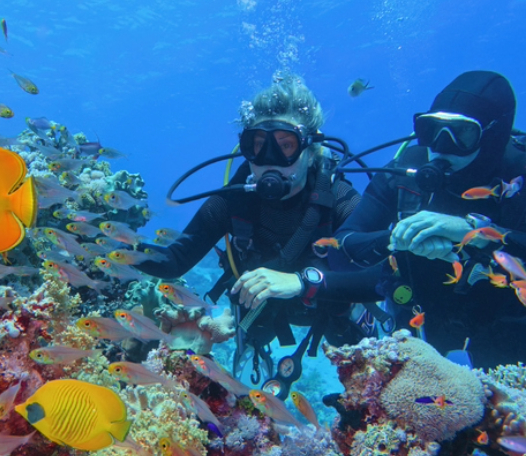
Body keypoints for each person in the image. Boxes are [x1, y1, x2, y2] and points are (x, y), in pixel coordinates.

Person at [332, 70, 526, 371]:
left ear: (493, 134)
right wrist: (397, 237)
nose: (441, 146)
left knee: (503, 406)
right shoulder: (405, 173)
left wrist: (481, 234)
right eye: (431, 129)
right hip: (420, 320)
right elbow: (339, 250)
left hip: (507, 323)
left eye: (463, 133)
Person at [138, 73, 381, 397]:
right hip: (261, 308)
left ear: (311, 150)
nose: (270, 163)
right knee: (249, 338)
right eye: (258, 147)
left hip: (328, 303)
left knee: (362, 357)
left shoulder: (339, 198)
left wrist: (303, 281)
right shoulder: (233, 199)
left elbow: (382, 273)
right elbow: (174, 260)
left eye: (286, 147)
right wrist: (113, 244)